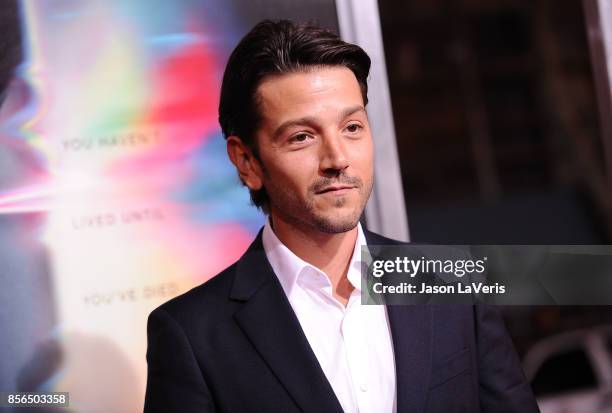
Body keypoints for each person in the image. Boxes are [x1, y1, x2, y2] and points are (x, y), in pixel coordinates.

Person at [144, 20, 539, 413]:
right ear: (246, 161)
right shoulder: (193, 336)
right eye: (302, 137)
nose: (337, 159)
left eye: (352, 127)